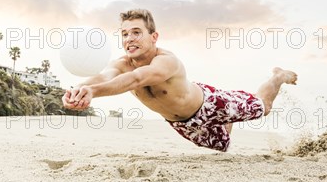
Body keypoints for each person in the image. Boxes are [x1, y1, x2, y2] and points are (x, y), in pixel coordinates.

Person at [62, 9, 297, 152]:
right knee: (222, 145)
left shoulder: (166, 61)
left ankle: (277, 76)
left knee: (263, 108)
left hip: (210, 103)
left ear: (153, 37)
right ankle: (228, 121)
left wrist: (93, 92)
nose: (129, 39)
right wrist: (78, 89)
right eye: (124, 34)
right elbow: (104, 77)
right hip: (182, 123)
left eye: (136, 32)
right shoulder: (121, 63)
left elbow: (137, 79)